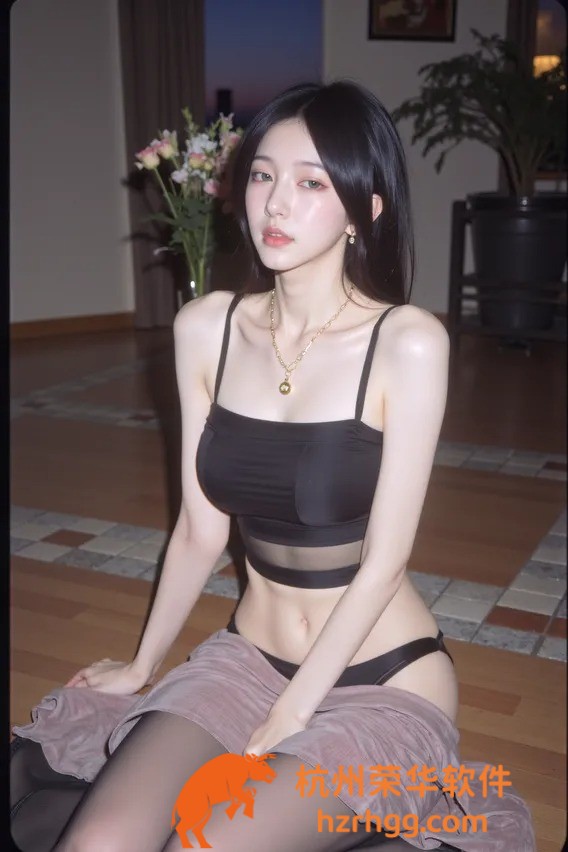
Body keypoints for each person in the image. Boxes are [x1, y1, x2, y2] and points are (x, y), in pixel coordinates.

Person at [11, 81, 535, 852]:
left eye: (312, 183)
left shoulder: (407, 342)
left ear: (365, 210)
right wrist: (142, 664)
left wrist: (295, 712)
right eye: (262, 175)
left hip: (381, 679)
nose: (276, 204)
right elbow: (199, 530)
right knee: (99, 842)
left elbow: (384, 563)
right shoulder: (205, 328)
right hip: (246, 661)